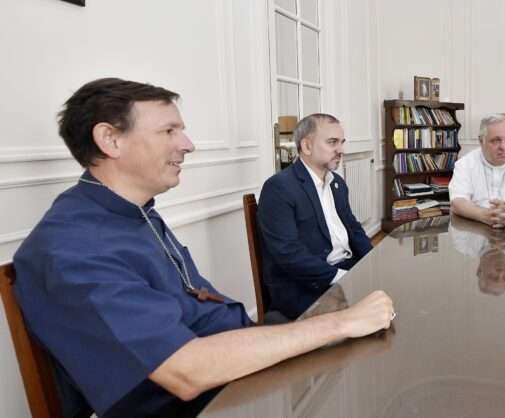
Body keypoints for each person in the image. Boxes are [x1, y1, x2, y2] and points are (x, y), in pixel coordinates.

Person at [12, 78, 395, 418]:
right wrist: (340, 323)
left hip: (231, 373)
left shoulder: (132, 213)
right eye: (169, 131)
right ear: (110, 139)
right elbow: (186, 371)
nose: (188, 144)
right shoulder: (71, 247)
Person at [258, 113, 373, 320]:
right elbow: (288, 254)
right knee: (370, 314)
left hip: (343, 269)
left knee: (395, 290)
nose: (340, 150)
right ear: (307, 146)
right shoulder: (279, 188)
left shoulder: (337, 183)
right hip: (303, 285)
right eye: (332, 142)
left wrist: (373, 261)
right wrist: (343, 278)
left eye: (341, 142)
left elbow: (353, 229)